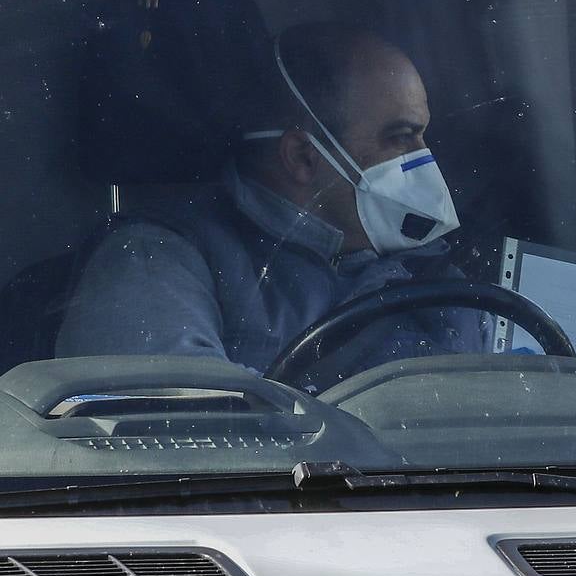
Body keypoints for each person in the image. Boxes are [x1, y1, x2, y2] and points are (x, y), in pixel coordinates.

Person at [56, 23, 488, 382]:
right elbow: (180, 451)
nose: (424, 157)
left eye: (421, 135)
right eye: (400, 137)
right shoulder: (155, 260)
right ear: (303, 156)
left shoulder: (432, 267)